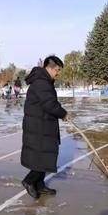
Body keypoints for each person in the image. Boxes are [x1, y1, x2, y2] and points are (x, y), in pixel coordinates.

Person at [21, 55, 69, 199]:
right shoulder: (42, 82)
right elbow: (49, 104)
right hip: (39, 126)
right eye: (57, 70)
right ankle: (29, 181)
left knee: (43, 156)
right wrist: (63, 113)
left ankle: (40, 185)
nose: (58, 73)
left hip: (42, 124)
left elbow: (48, 103)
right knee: (42, 156)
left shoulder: (44, 81)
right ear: (49, 67)